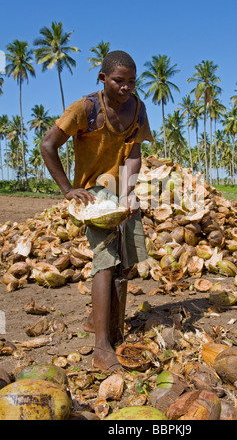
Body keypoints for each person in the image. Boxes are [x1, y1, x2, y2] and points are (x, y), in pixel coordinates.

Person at [41, 50, 153, 371]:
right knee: (106, 262)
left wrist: (129, 190)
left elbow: (133, 154)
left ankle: (98, 320)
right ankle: (102, 347)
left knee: (130, 261)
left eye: (131, 82)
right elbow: (48, 146)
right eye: (119, 80)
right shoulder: (84, 109)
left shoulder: (138, 110)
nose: (126, 87)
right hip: (93, 195)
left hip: (121, 192)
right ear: (103, 78)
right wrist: (67, 189)